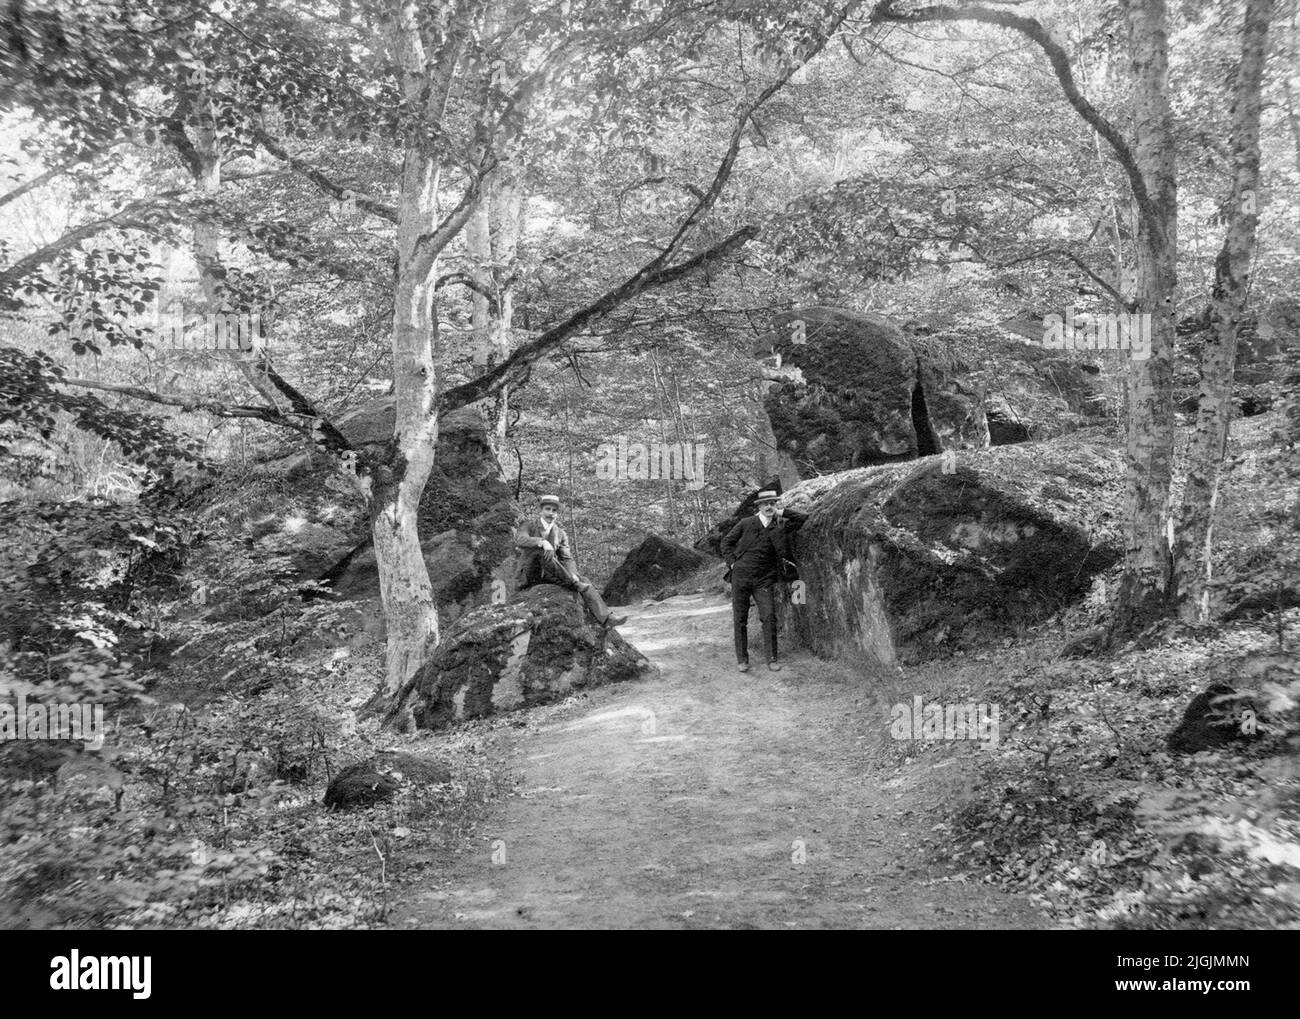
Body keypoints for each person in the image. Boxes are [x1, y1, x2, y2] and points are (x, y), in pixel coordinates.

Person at [720, 490, 807, 673]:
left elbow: (804, 519)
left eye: (773, 503)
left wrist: (782, 512)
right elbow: (726, 543)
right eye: (765, 503)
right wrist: (733, 564)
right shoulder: (746, 523)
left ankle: (772, 659)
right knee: (740, 618)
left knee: (769, 617)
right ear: (758, 506)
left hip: (764, 580)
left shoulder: (780, 524)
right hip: (741, 577)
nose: (769, 506)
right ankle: (742, 660)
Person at [515, 494, 627, 629]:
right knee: (541, 551)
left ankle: (607, 618)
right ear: (541, 510)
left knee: (582, 578)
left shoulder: (560, 533)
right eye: (548, 509)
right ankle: (574, 583)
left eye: (554, 510)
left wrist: (573, 573)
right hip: (530, 574)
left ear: (557, 513)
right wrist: (542, 542)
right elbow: (519, 540)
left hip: (550, 574)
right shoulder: (528, 525)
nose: (550, 513)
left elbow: (567, 558)